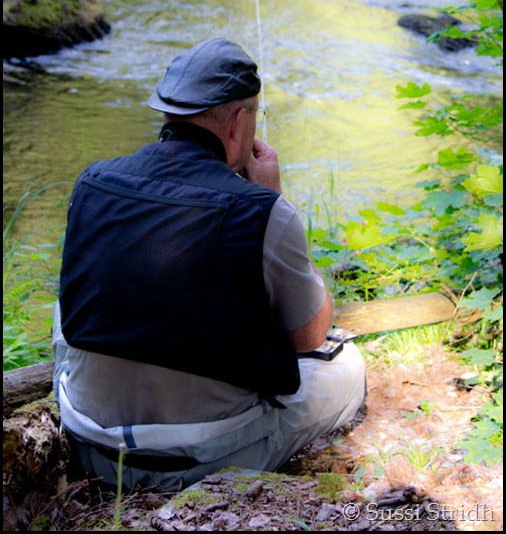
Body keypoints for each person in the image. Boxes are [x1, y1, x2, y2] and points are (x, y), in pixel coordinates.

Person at [52, 37, 366, 492]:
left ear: (168, 114)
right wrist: (275, 197)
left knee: (66, 301)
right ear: (240, 121)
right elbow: (309, 336)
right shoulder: (261, 210)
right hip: (204, 458)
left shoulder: (92, 182)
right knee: (349, 365)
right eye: (256, 115)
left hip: (91, 445)